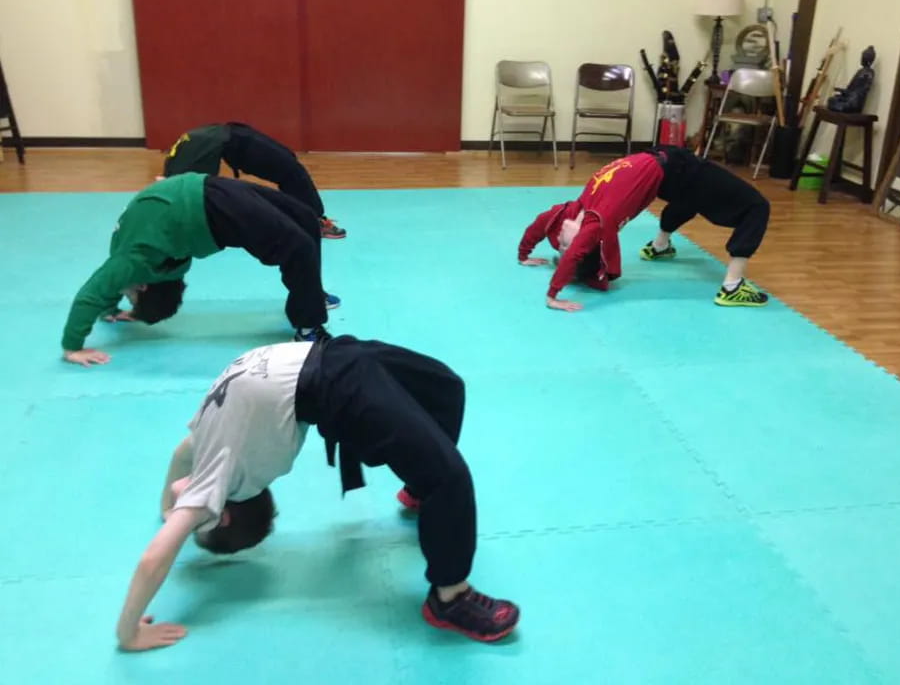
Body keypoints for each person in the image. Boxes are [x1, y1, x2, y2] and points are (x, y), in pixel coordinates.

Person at [114, 338, 520, 651]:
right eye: (195, 522)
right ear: (223, 515)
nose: (181, 495)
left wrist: (167, 508)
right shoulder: (217, 484)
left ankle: (419, 486)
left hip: (337, 353)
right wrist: (128, 632)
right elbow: (154, 558)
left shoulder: (202, 447)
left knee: (445, 389)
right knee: (450, 477)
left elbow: (177, 455)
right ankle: (450, 596)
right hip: (335, 388)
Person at [61, 173, 339, 367]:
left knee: (304, 222)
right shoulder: (143, 266)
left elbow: (92, 294)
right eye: (130, 298)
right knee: (300, 237)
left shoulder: (131, 262)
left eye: (130, 297)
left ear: (145, 285)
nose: (126, 294)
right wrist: (110, 310)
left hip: (206, 194)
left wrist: (72, 347)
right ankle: (308, 324)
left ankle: (311, 297)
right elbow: (108, 288)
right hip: (207, 195)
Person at [517, 152, 665, 311]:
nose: (560, 243)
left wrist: (550, 295)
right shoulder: (585, 222)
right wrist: (524, 257)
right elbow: (544, 232)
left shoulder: (574, 217)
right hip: (657, 164)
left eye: (563, 247)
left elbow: (543, 230)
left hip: (649, 161)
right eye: (563, 249)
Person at [163, 122, 346, 239]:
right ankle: (314, 221)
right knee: (292, 170)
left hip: (233, 137)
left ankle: (312, 216)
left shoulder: (180, 159)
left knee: (289, 164)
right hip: (235, 138)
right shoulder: (183, 161)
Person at [639, 146, 769, 307]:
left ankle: (659, 246)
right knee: (758, 206)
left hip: (668, 168)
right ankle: (733, 286)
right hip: (681, 166)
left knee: (688, 192)